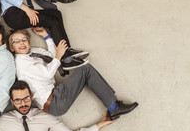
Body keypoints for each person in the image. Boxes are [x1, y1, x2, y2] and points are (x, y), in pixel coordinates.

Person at [8, 27, 139, 120]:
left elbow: (53, 58)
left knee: (86, 70)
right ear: (12, 48)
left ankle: (113, 106)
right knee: (86, 70)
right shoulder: (21, 63)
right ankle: (113, 107)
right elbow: (49, 73)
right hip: (54, 101)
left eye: (24, 39)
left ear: (28, 42)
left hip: (55, 97)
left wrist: (46, 37)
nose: (21, 43)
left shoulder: (33, 52)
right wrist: (59, 55)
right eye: (17, 41)